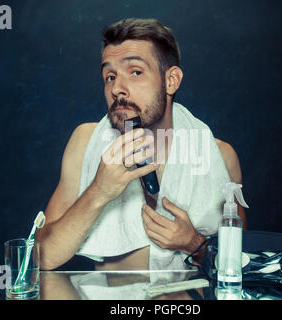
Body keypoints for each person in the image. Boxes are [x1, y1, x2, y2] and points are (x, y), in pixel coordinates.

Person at [35, 18, 246, 271]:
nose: (117, 89)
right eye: (110, 76)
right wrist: (99, 191)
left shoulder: (220, 156)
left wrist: (193, 243)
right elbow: (41, 257)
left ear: (171, 81)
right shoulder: (85, 141)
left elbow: (242, 265)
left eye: (135, 72)